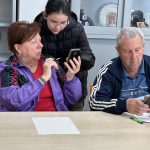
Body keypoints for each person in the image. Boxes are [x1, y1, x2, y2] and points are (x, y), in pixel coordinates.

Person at [0, 21, 82, 111]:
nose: (41, 45)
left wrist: (70, 78)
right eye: (33, 42)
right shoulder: (7, 70)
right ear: (18, 48)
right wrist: (43, 78)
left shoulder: (49, 64)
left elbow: (72, 100)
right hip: (27, 122)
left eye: (40, 40)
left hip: (57, 119)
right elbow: (14, 102)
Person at [34, 0, 95, 111]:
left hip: (75, 88)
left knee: (74, 125)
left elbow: (90, 58)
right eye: (53, 22)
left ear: (68, 18)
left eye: (63, 23)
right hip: (48, 91)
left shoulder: (77, 28)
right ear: (45, 15)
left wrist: (77, 62)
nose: (57, 27)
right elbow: (31, 59)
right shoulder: (36, 28)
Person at [89, 27, 150, 115]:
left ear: (143, 48)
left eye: (137, 50)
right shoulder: (109, 70)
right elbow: (94, 103)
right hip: (118, 124)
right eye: (127, 51)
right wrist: (124, 105)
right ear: (118, 51)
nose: (133, 57)